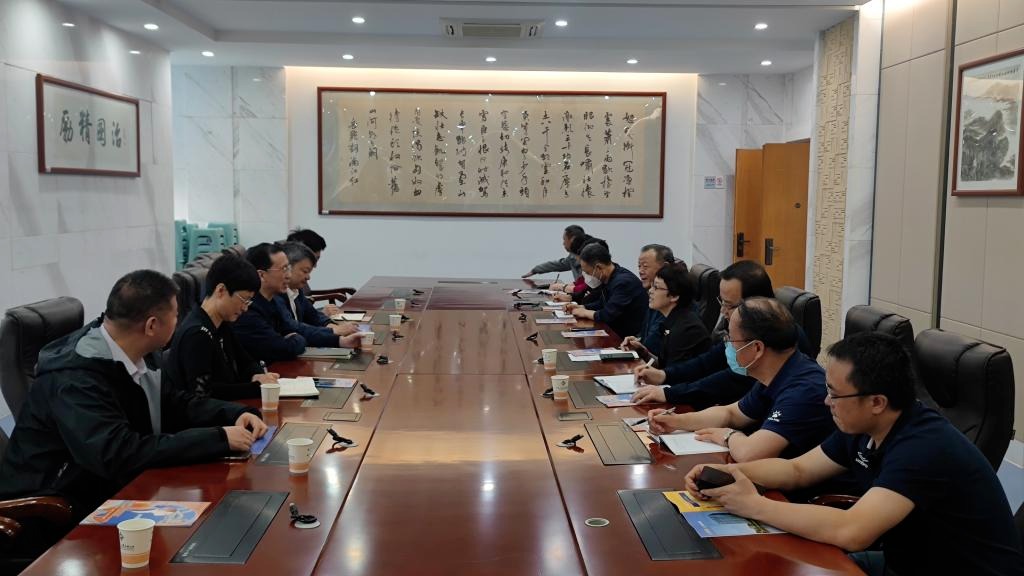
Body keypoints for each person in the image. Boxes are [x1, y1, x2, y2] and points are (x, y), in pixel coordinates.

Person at [682, 332, 1024, 576]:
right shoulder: (866, 425)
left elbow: (852, 531)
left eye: (835, 394)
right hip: (907, 561)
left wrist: (753, 505)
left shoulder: (924, 447)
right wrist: (729, 474)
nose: (826, 401)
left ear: (877, 402)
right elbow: (798, 471)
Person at [0, 270, 268, 525]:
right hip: (52, 510)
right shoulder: (74, 379)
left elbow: (174, 403)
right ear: (152, 325)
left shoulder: (140, 352)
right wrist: (218, 439)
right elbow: (117, 453)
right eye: (176, 315)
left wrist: (233, 413)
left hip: (109, 489)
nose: (180, 320)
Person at [646, 297, 833, 462]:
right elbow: (731, 414)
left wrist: (728, 436)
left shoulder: (804, 389)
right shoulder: (777, 372)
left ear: (757, 348)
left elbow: (750, 453)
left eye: (731, 339)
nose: (727, 346)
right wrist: (676, 421)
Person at [631, 260, 806, 408]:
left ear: (755, 303)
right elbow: (707, 362)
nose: (722, 311)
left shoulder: (776, 337)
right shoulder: (746, 325)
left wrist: (669, 393)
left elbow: (732, 381)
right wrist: (664, 375)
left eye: (729, 305)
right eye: (721, 302)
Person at [164, 255, 280, 399]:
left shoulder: (222, 324)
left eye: (249, 302)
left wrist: (259, 376)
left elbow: (246, 362)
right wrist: (256, 387)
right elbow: (203, 392)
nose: (245, 308)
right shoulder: (197, 334)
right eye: (244, 300)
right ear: (221, 290)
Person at [621, 263, 711, 368]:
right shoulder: (671, 321)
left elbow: (673, 374)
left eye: (656, 287)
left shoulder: (685, 329)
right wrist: (643, 352)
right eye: (652, 286)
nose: (650, 291)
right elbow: (664, 366)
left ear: (674, 296)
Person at [276, 241, 362, 348]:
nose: (308, 277)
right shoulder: (276, 295)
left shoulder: (296, 290)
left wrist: (332, 326)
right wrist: (334, 331)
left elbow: (314, 316)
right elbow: (294, 328)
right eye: (305, 271)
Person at [234, 242, 308, 362]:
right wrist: (297, 339)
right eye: (283, 269)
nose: (289, 276)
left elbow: (293, 330)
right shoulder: (248, 309)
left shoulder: (276, 301)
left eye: (288, 268)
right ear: (262, 275)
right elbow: (284, 349)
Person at [564, 242, 647, 339]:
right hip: (615, 331)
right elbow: (602, 303)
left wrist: (584, 312)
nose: (587, 277)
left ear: (598, 267)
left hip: (628, 337)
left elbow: (607, 315)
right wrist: (582, 307)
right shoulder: (609, 277)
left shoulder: (623, 282)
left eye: (588, 273)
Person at [632, 243, 678, 355]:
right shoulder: (654, 295)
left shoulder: (669, 300)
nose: (640, 271)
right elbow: (645, 334)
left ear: (665, 267)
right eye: (639, 266)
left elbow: (651, 345)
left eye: (645, 266)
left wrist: (641, 346)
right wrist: (636, 340)